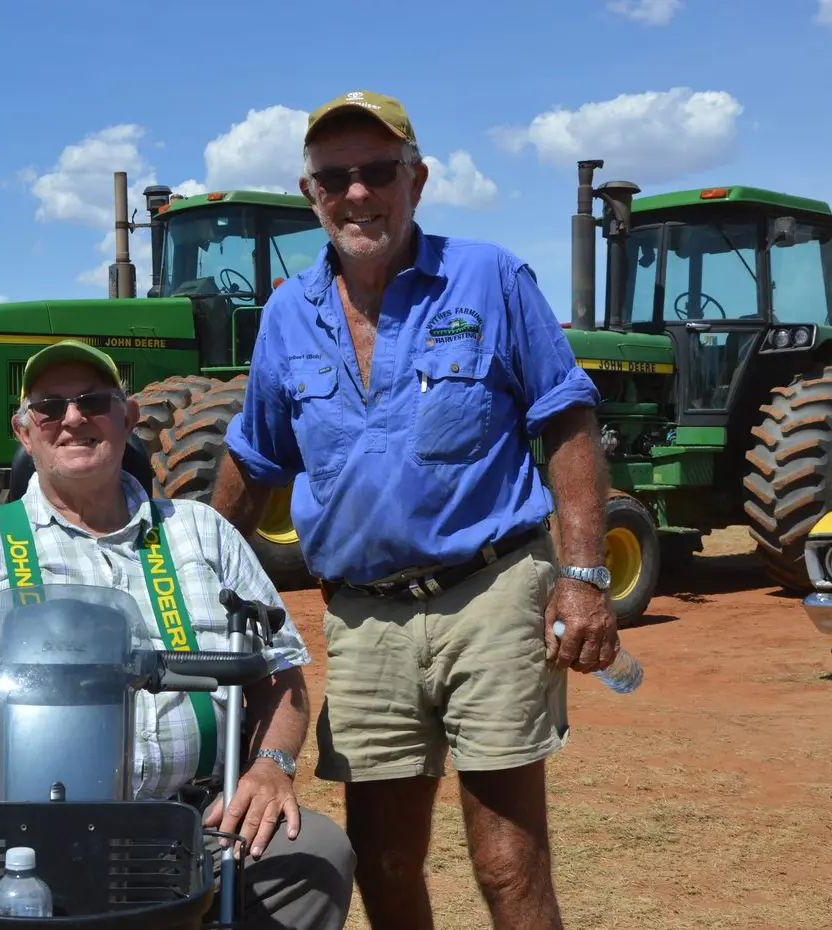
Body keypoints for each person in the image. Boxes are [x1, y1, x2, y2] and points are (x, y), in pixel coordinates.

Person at [211, 90, 617, 930]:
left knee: (507, 864)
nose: (356, 194)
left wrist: (582, 576)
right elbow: (251, 462)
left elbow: (567, 422)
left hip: (491, 595)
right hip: (362, 619)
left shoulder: (488, 276)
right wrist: (183, 571)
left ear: (416, 179)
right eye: (335, 178)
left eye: (376, 172)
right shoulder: (288, 315)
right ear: (309, 192)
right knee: (384, 862)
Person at [0, 339, 356, 930]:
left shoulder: (203, 532)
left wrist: (271, 765)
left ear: (128, 418)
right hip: (1, 824)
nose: (73, 418)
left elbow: (279, 671)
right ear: (24, 433)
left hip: (188, 818)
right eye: (50, 407)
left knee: (317, 855)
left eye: (93, 401)